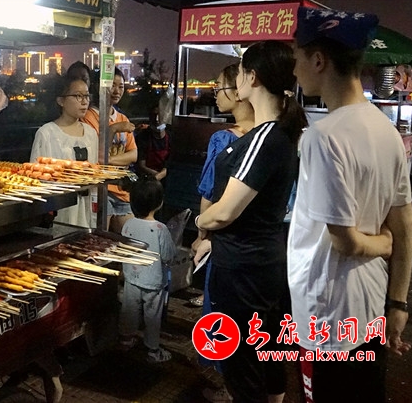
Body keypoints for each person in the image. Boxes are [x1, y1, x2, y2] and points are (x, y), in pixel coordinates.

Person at [288, 7, 412, 403]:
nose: (294, 70)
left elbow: (344, 240)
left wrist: (381, 243)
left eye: (297, 58)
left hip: (328, 313)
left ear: (318, 60)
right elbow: (406, 225)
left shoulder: (323, 137)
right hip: (370, 304)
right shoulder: (386, 131)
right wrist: (398, 303)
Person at [196, 41, 307, 403]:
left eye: (241, 71)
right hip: (262, 262)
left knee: (242, 365)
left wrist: (201, 219)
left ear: (253, 77)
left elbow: (225, 211)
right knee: (267, 354)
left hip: (244, 269)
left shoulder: (266, 137)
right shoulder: (280, 134)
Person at [188, 61, 255, 403]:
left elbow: (209, 193)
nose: (214, 93)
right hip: (257, 246)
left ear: (240, 90)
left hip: (224, 242)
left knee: (220, 316)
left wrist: (202, 236)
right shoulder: (272, 138)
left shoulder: (223, 139)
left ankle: (228, 386)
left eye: (219, 87)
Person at [118, 176, 176, 363]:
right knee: (152, 316)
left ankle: (126, 340)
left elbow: (123, 249)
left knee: (129, 310)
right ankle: (153, 350)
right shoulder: (160, 228)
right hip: (153, 281)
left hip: (131, 277)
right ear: (159, 203)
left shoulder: (128, 224)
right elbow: (168, 255)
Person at [30, 76, 98, 228]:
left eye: (87, 96)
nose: (84, 101)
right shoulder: (46, 133)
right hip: (60, 209)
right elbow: (36, 177)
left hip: (85, 206)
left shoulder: (91, 133)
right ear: (61, 101)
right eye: (78, 96)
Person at [82, 67, 137, 233]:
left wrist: (108, 161)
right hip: (100, 189)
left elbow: (133, 155)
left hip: (121, 191)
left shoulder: (122, 118)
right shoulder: (89, 117)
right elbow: (96, 153)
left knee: (131, 236)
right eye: (112, 85)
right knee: (100, 238)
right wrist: (114, 129)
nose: (117, 91)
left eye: (121, 86)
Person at [135, 106, 171, 182]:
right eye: (154, 115)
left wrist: (160, 176)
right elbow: (141, 165)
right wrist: (155, 177)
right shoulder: (143, 137)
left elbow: (170, 164)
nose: (157, 119)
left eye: (160, 116)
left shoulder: (171, 138)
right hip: (147, 179)